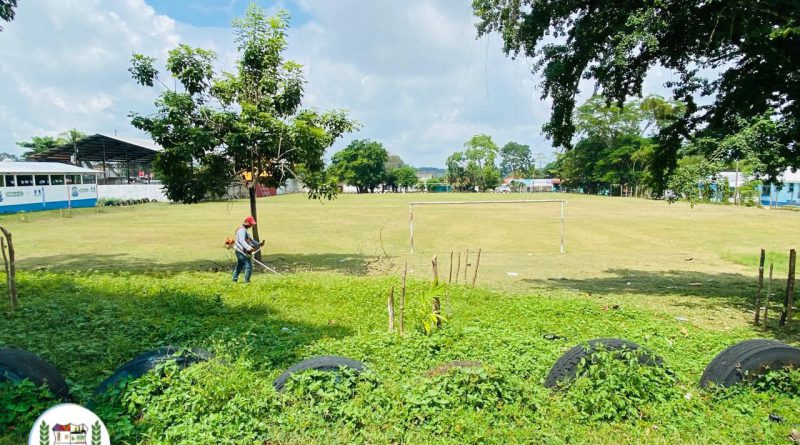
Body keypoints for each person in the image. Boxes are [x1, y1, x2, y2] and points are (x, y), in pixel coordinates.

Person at [232, 216, 264, 283]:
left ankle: (234, 280)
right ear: (246, 222)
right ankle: (247, 282)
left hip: (242, 251)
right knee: (248, 266)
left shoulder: (244, 230)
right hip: (241, 251)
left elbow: (251, 240)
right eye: (251, 224)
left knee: (239, 266)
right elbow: (242, 241)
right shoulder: (241, 230)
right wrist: (248, 248)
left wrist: (259, 244)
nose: (252, 225)